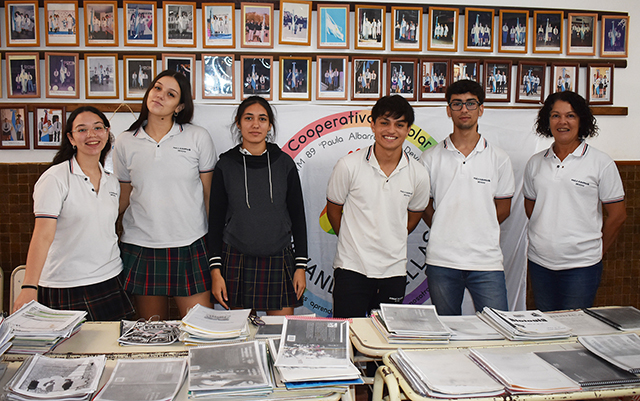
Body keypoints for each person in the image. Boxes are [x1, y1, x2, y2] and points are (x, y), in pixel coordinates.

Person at [12, 106, 135, 321]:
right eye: (82, 130)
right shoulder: (55, 178)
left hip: (109, 279)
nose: (91, 135)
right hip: (65, 284)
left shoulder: (112, 181)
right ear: (70, 138)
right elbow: (43, 235)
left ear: (107, 133)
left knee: (112, 352)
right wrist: (29, 286)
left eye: (98, 128)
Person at [114, 70, 217, 320]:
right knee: (152, 332)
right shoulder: (125, 141)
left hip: (190, 243)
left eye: (170, 94)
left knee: (202, 331)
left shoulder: (197, 136)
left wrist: (215, 247)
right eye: (157, 88)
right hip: (141, 245)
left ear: (179, 106)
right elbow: (123, 196)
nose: (160, 96)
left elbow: (209, 194)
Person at [326, 95, 430, 318]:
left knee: (384, 341)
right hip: (351, 268)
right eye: (384, 122)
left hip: (393, 272)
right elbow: (334, 211)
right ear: (372, 124)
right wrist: (352, 241)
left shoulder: (419, 174)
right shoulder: (348, 165)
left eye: (399, 124)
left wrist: (390, 236)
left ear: (408, 130)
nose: (391, 130)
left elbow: (412, 218)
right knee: (348, 338)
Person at [523, 91, 626, 312]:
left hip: (582, 266)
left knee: (575, 327)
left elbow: (618, 216)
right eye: (555, 115)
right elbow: (532, 207)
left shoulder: (601, 163)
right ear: (547, 121)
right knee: (547, 326)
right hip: (540, 263)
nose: (562, 122)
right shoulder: (535, 163)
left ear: (581, 120)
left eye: (570, 115)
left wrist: (596, 251)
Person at [420, 79, 515, 316]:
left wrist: (478, 227)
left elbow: (504, 207)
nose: (464, 109)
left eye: (471, 103)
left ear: (481, 109)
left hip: (486, 262)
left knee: (498, 329)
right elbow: (423, 205)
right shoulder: (430, 158)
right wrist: (445, 226)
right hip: (442, 261)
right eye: (457, 104)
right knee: (447, 331)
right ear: (448, 110)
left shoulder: (499, 158)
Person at [208, 96, 307, 315]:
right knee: (243, 339)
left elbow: (298, 218)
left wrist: (300, 267)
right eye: (249, 118)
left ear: (270, 125)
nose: (255, 125)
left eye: (262, 119)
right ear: (238, 123)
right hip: (237, 258)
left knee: (281, 337)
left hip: (279, 258)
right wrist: (216, 271)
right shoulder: (225, 165)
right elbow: (214, 222)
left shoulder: (285, 163)